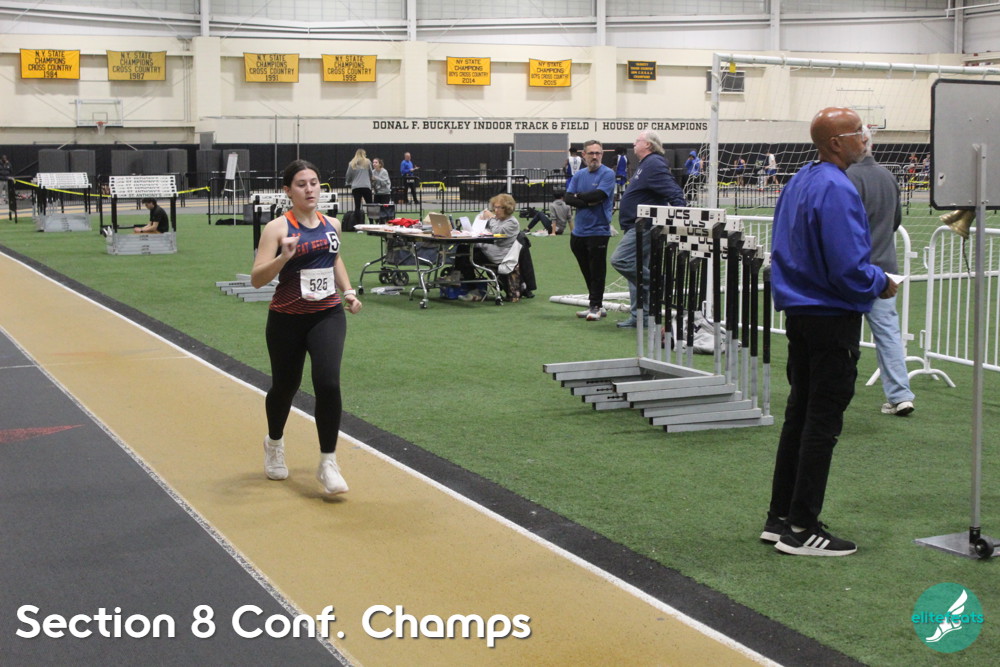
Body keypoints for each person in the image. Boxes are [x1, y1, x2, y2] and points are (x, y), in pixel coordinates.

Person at [761, 108, 896, 557]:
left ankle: (780, 517)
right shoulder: (837, 188)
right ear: (837, 142)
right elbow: (848, 268)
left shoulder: (800, 180)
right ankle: (802, 528)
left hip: (800, 313)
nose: (866, 138)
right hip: (831, 316)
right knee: (821, 421)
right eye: (859, 132)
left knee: (799, 415)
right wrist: (880, 281)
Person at [250, 159, 363, 497]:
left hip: (327, 315)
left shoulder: (333, 224)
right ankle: (274, 443)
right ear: (288, 191)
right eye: (301, 184)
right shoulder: (277, 229)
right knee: (285, 386)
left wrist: (348, 291)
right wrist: (283, 257)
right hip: (287, 318)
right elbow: (257, 279)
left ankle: (328, 462)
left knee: (328, 383)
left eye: (314, 183)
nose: (310, 189)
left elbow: (334, 258)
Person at [847, 128, 915, 417]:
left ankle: (836, 394)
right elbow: (895, 221)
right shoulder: (889, 176)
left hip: (853, 270)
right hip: (886, 271)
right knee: (888, 335)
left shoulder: (845, 177)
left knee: (843, 335)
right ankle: (901, 396)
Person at [610, 130, 686, 328]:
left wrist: (682, 215)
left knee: (621, 260)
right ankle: (640, 317)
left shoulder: (653, 164)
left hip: (645, 225)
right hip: (637, 224)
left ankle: (658, 283)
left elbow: (674, 191)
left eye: (638, 141)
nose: (634, 144)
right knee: (635, 272)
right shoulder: (646, 164)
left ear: (648, 145)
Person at [566, 139, 615, 321]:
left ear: (602, 154)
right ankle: (596, 304)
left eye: (598, 153)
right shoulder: (579, 175)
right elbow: (568, 198)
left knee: (597, 272)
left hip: (599, 231)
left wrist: (580, 197)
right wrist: (587, 201)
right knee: (587, 271)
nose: (595, 156)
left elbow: (599, 195)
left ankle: (595, 305)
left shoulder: (607, 174)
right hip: (578, 232)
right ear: (584, 155)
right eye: (591, 153)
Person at [457, 193, 521, 301]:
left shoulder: (512, 222)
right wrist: (481, 221)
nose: (496, 210)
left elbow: (496, 232)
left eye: (499, 208)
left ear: (507, 208)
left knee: (465, 254)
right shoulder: (498, 220)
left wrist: (490, 218)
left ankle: (472, 288)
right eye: (494, 207)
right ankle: (461, 279)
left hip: (499, 254)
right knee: (462, 249)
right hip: (489, 250)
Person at [345, 149, 373, 223]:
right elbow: (371, 173)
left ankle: (358, 223)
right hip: (366, 186)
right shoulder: (367, 162)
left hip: (356, 187)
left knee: (357, 206)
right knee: (370, 205)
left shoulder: (352, 163)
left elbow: (348, 175)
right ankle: (371, 222)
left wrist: (348, 182)